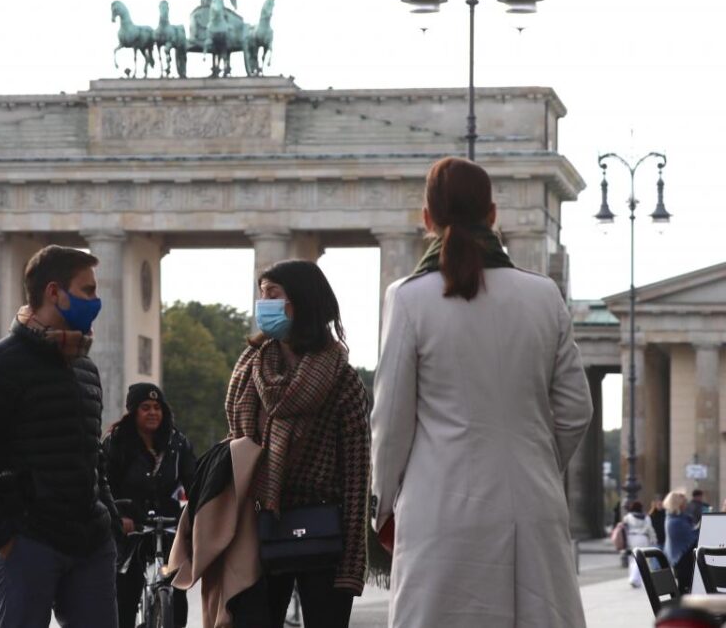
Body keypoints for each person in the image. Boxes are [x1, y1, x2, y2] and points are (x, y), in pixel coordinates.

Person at [371, 157, 593, 628]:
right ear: (493, 215)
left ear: (427, 219)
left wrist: (383, 504)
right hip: (531, 504)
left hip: (440, 507)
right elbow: (576, 410)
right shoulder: (542, 295)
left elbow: (390, 422)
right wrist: (536, 461)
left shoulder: (409, 298)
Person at [0, 245, 121, 628]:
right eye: (87, 291)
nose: (97, 301)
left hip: (90, 543)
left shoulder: (85, 367)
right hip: (27, 542)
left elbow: (92, 457)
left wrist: (109, 517)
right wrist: (2, 538)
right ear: (54, 292)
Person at [225, 260, 371, 627]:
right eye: (262, 295)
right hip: (255, 527)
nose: (263, 305)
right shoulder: (248, 370)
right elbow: (234, 449)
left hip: (322, 534)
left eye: (273, 294)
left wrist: (352, 563)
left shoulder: (343, 382)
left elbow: (357, 476)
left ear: (303, 301)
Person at [103, 382, 195, 628]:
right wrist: (118, 516)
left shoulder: (178, 443)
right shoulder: (116, 443)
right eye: (145, 407)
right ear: (133, 412)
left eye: (157, 407)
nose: (153, 412)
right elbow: (104, 486)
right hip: (129, 525)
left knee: (175, 585)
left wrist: (194, 517)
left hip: (167, 524)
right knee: (126, 589)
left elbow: (194, 483)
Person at [664, 490, 699, 594]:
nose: (686, 505)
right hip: (682, 561)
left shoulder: (680, 519)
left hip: (685, 559)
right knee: (685, 588)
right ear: (678, 504)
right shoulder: (675, 522)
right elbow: (692, 537)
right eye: (684, 502)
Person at [623, 501, 657, 588]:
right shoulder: (646, 517)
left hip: (631, 538)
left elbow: (624, 529)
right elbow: (650, 529)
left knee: (632, 559)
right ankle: (635, 579)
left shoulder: (628, 517)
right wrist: (654, 539)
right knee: (640, 559)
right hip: (643, 538)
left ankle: (633, 578)